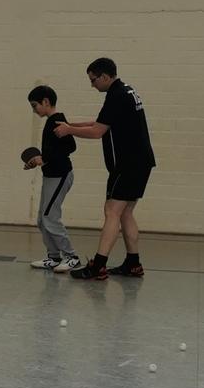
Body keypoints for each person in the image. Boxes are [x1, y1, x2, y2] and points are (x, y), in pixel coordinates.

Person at [54, 57, 155, 280]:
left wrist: (69, 131)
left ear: (105, 76)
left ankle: (98, 266)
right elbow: (103, 121)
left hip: (127, 164)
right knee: (126, 212)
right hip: (141, 162)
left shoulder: (117, 95)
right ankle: (133, 263)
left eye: (93, 80)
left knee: (112, 211)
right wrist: (72, 124)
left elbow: (98, 131)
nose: (92, 85)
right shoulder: (125, 91)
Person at [25, 85, 81, 272]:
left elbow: (70, 147)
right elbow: (52, 151)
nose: (34, 110)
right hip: (50, 175)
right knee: (42, 219)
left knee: (50, 217)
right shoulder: (51, 122)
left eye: (35, 105)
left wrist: (45, 158)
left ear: (46, 101)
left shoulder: (58, 120)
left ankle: (72, 257)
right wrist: (38, 159)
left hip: (61, 175)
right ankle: (54, 256)